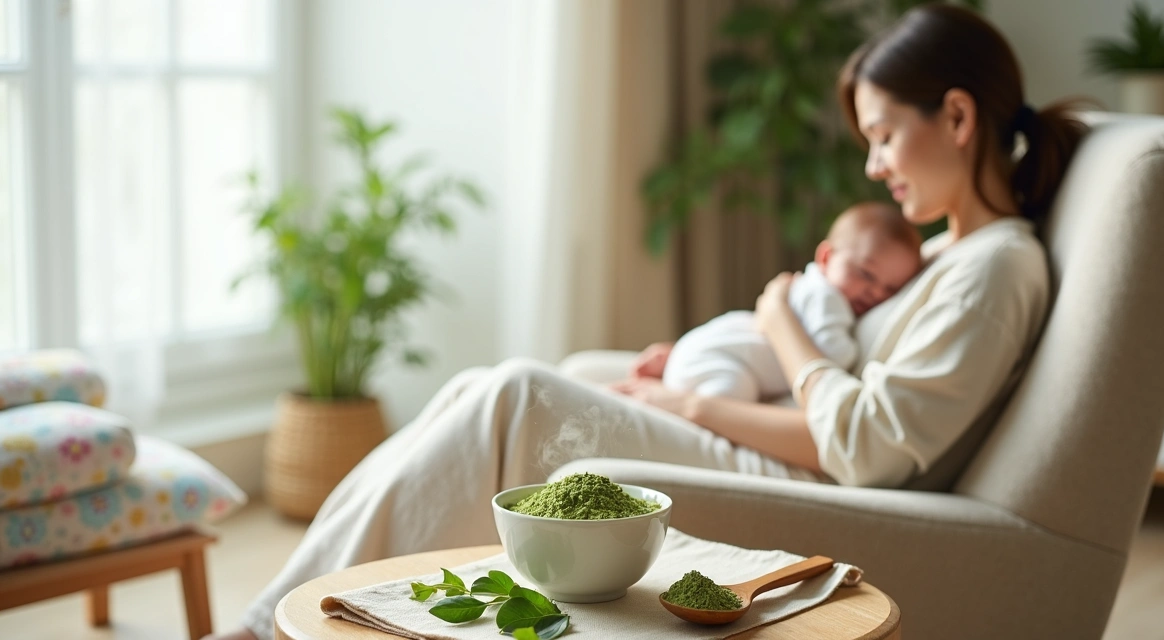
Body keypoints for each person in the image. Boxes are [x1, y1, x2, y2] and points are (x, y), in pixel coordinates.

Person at [208, 5, 1086, 639]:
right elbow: (854, 378)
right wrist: (703, 361)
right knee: (547, 376)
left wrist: (734, 370)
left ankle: (263, 630)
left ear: (957, 117)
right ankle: (285, 611)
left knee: (516, 395)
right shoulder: (945, 254)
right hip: (794, 436)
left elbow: (870, 448)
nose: (874, 165)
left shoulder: (995, 268)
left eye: (884, 136)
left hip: (826, 486)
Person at [660, 202, 921, 402]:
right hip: (719, 361)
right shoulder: (826, 297)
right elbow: (836, 357)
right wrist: (856, 350)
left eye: (891, 289)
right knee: (733, 391)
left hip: (701, 351)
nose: (875, 293)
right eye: (866, 274)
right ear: (826, 257)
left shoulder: (808, 287)